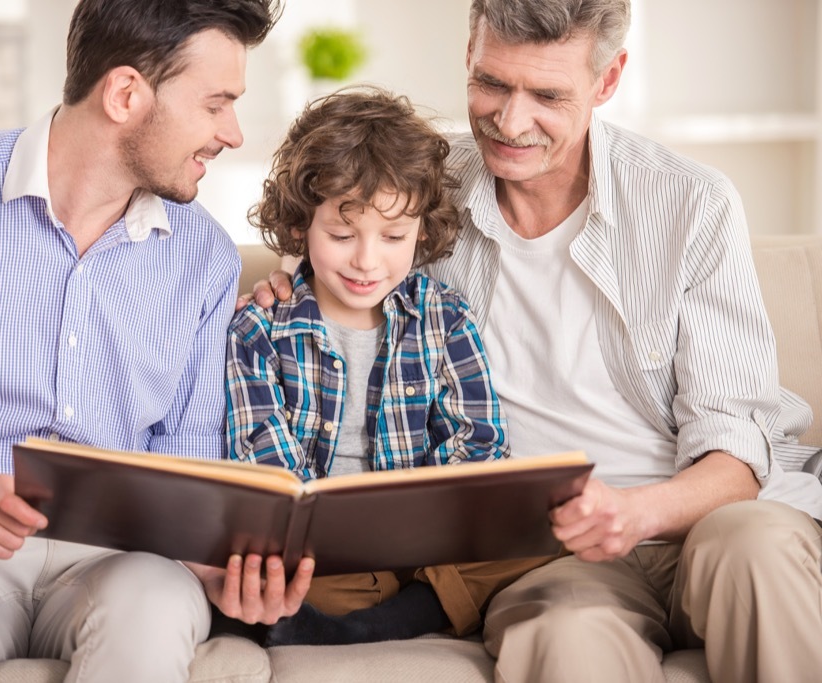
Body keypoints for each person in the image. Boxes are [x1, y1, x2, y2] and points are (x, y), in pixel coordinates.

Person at [248, 1, 822, 681]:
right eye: (493, 83)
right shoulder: (420, 190)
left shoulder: (690, 203)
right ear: (468, 53)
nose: (511, 121)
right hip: (552, 552)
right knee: (566, 631)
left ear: (608, 81)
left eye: (548, 95)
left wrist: (634, 512)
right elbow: (329, 254)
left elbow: (737, 454)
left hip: (699, 512)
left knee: (757, 549)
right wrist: (285, 288)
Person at [0, 1, 315, 681]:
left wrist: (220, 573)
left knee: (158, 607)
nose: (233, 133)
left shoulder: (205, 260)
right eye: (216, 104)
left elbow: (189, 474)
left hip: (121, 560)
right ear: (126, 94)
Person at [225, 87, 554, 646]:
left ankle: (389, 617)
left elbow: (478, 447)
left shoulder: (444, 319)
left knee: (544, 536)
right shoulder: (259, 329)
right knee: (264, 570)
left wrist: (430, 523)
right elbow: (266, 471)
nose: (366, 260)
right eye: (341, 234)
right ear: (302, 224)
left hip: (426, 550)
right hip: (320, 556)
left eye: (394, 236)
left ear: (422, 230)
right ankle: (404, 610)